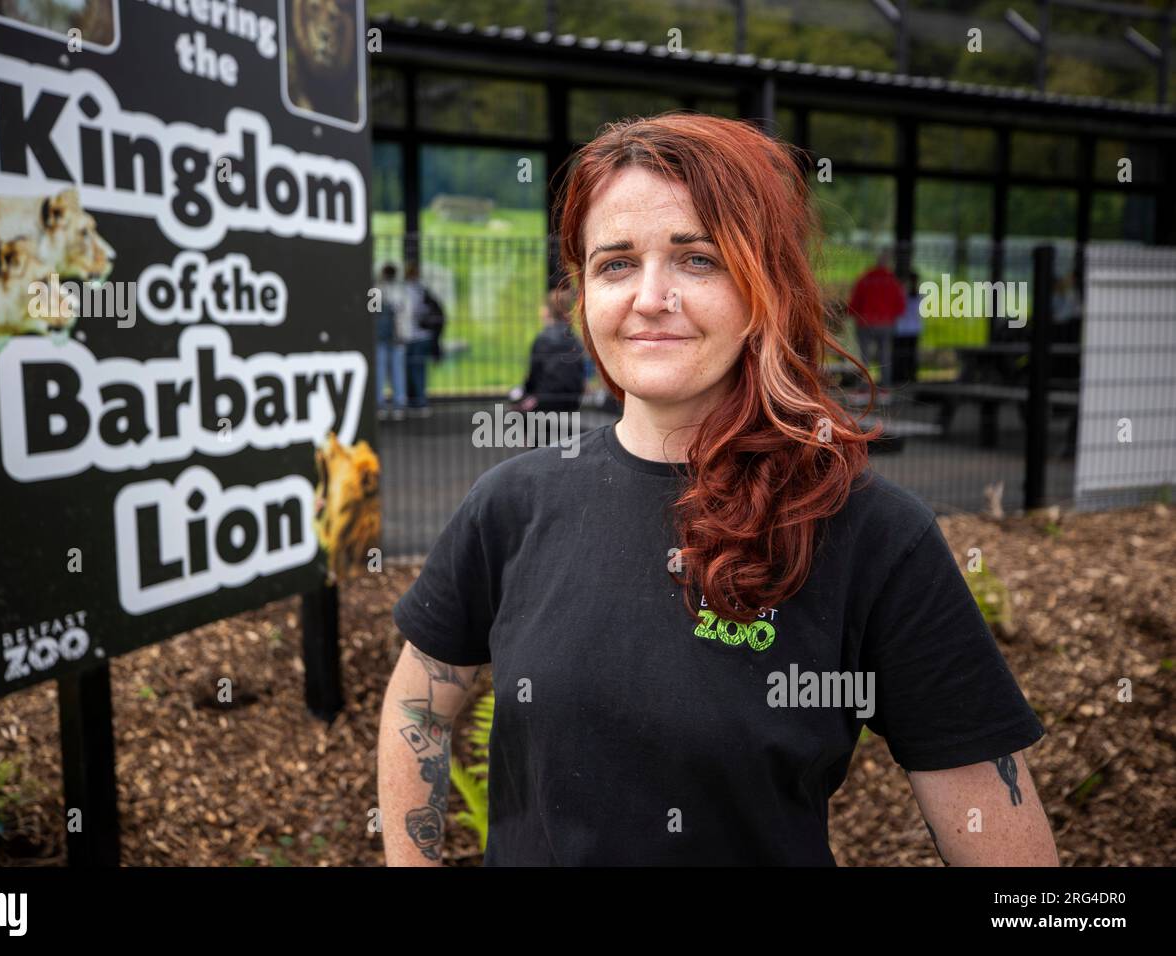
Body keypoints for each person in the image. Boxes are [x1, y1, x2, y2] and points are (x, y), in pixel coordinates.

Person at [378, 113, 1057, 867]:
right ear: (582, 293)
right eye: (615, 264)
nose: (650, 296)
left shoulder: (870, 532)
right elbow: (418, 707)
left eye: (696, 259)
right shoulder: (512, 502)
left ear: (764, 282)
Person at [509, 283, 587, 447]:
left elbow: (534, 376)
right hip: (572, 399)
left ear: (547, 311)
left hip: (546, 399)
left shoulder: (543, 338)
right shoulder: (575, 339)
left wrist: (526, 392)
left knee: (516, 398)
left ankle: (531, 441)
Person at [848, 250, 906, 391]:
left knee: (864, 357)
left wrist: (851, 313)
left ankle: (863, 386)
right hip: (885, 323)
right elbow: (901, 306)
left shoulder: (865, 279)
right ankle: (885, 387)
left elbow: (854, 302)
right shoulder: (892, 281)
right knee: (884, 356)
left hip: (865, 322)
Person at [402, 263, 442, 418]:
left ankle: (418, 400)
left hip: (413, 336)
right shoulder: (423, 290)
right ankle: (418, 400)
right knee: (418, 370)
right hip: (424, 336)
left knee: (413, 370)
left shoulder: (407, 291)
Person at [375, 263, 410, 420]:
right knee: (395, 371)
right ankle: (395, 404)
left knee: (383, 371)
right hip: (391, 336)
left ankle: (386, 404)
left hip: (387, 337)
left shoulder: (376, 290)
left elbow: (372, 314)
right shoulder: (401, 290)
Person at [891, 270, 922, 386]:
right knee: (910, 355)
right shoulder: (918, 296)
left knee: (901, 355)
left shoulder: (903, 295)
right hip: (912, 329)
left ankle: (901, 377)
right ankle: (910, 377)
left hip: (902, 329)